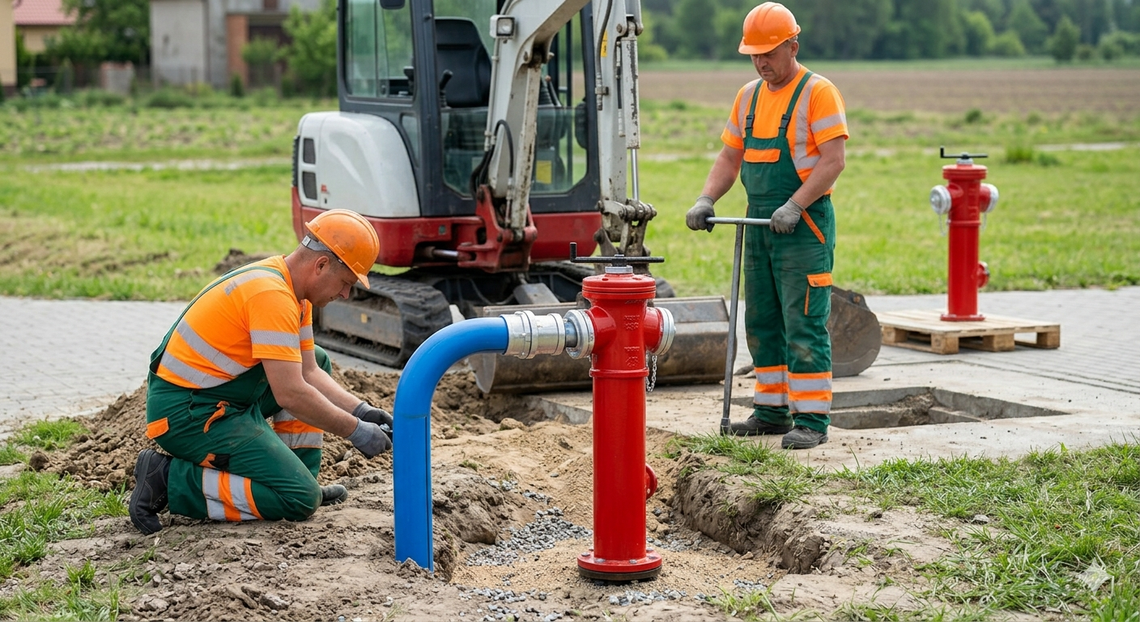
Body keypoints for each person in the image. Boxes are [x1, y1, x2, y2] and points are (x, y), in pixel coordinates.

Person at [129, 209, 395, 535]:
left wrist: (361, 410)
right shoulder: (272, 297)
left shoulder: (293, 291)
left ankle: (299, 475)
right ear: (321, 265)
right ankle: (169, 478)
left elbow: (310, 372)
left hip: (218, 396)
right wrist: (356, 430)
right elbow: (291, 394)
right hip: (187, 414)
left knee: (318, 359)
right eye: (345, 283)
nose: (345, 295)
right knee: (299, 500)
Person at [685, 2, 847, 450]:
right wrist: (706, 198)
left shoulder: (819, 92)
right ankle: (771, 412)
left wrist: (796, 204)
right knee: (761, 321)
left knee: (804, 320)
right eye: (754, 54)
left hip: (804, 227)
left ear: (793, 45)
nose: (761, 63)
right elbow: (729, 157)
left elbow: (833, 162)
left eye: (770, 53)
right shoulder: (749, 96)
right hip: (760, 225)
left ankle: (811, 419)